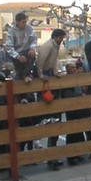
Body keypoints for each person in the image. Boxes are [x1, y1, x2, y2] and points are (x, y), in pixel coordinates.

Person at [35, 28, 66, 170]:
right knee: (46, 109)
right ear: (55, 37)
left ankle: (52, 154)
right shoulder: (48, 45)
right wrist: (40, 74)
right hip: (43, 74)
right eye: (60, 38)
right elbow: (40, 60)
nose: (61, 40)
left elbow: (54, 60)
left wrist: (55, 72)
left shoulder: (56, 46)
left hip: (49, 73)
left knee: (54, 113)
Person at [4, 12, 38, 83]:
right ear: (17, 22)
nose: (24, 24)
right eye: (23, 22)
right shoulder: (11, 31)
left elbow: (34, 39)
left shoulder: (29, 28)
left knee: (31, 56)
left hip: (27, 52)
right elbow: (9, 46)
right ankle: (21, 79)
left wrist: (32, 49)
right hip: (16, 54)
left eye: (25, 22)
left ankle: (26, 76)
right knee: (20, 74)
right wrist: (18, 56)